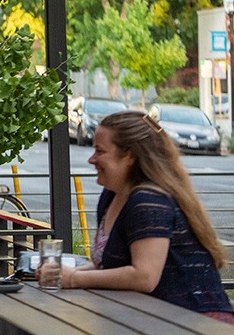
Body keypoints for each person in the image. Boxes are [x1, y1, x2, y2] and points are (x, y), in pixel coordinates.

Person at [39, 110, 234, 323]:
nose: (91, 159)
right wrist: (63, 273)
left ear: (130, 155)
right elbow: (110, 267)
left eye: (100, 151)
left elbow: (144, 276)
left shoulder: (148, 200)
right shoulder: (111, 195)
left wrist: (74, 278)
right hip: (156, 320)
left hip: (196, 322)